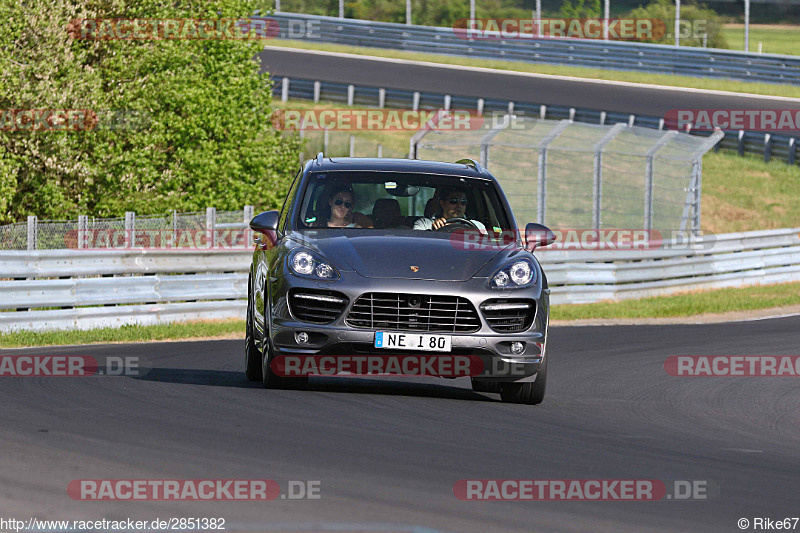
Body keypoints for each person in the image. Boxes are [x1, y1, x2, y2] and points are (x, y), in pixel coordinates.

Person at [413, 185, 486, 231]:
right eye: (454, 201)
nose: (459, 205)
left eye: (463, 202)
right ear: (442, 203)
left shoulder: (477, 227)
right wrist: (433, 231)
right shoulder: (425, 224)